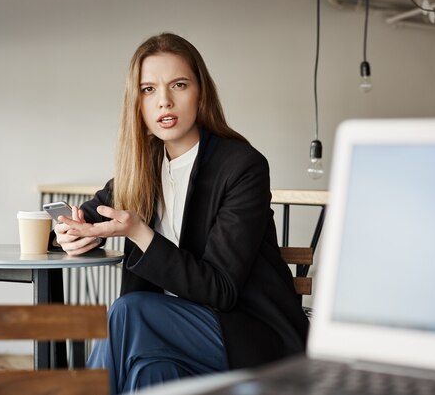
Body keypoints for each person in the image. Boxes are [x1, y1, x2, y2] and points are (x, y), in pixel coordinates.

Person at [52, 32, 309, 394]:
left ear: (200, 93)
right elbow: (84, 218)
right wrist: (67, 234)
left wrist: (141, 233)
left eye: (179, 85)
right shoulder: (138, 172)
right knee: (151, 372)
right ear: (136, 104)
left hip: (247, 336)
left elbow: (221, 290)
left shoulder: (241, 167)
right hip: (164, 338)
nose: (164, 102)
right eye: (148, 90)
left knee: (129, 311)